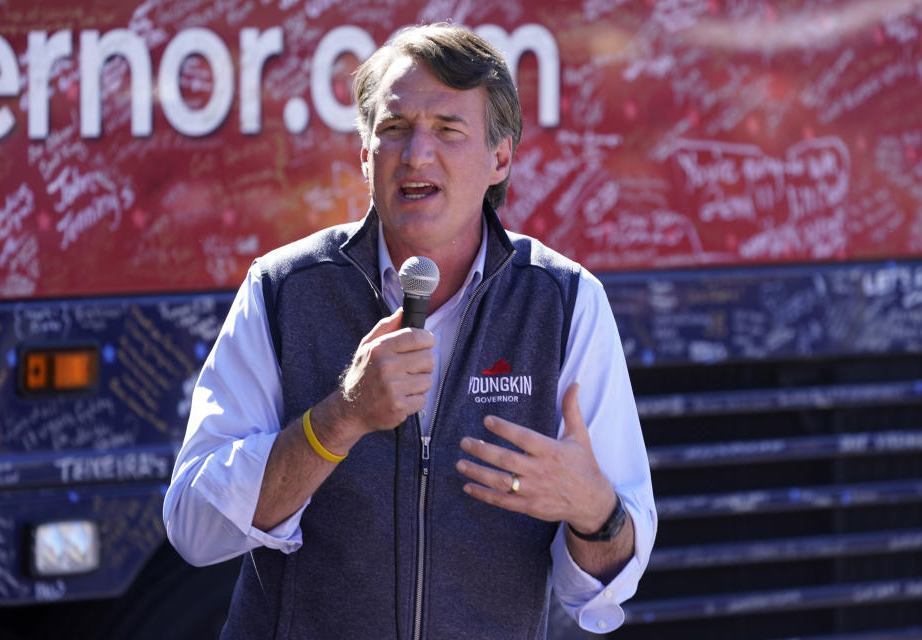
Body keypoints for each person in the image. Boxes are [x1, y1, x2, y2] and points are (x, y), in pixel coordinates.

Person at [163, 22, 656, 639]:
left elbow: (602, 593)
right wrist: (339, 420)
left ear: (500, 157)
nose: (416, 154)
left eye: (448, 130)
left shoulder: (564, 301)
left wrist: (594, 510)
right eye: (394, 129)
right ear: (366, 155)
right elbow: (193, 529)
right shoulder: (283, 289)